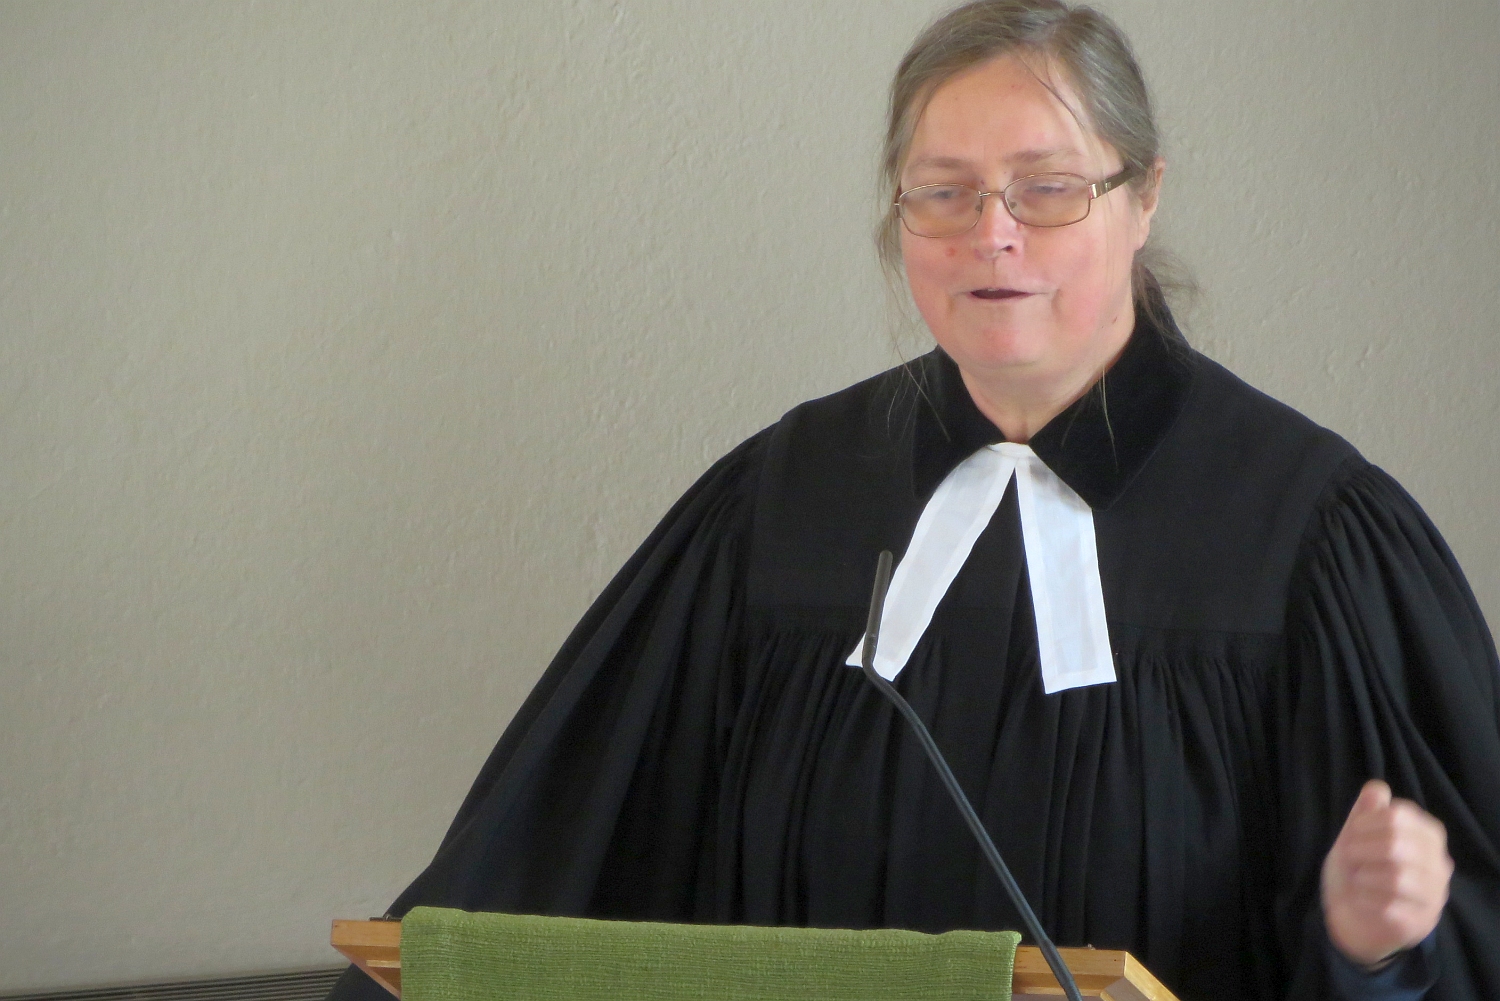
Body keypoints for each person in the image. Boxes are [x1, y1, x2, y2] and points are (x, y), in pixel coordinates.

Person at [327, 2, 1499, 999]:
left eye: (1047, 188)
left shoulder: (1313, 537)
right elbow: (563, 849)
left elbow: (1465, 939)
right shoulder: (781, 504)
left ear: (1143, 197)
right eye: (944, 191)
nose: (993, 235)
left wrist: (1374, 949)